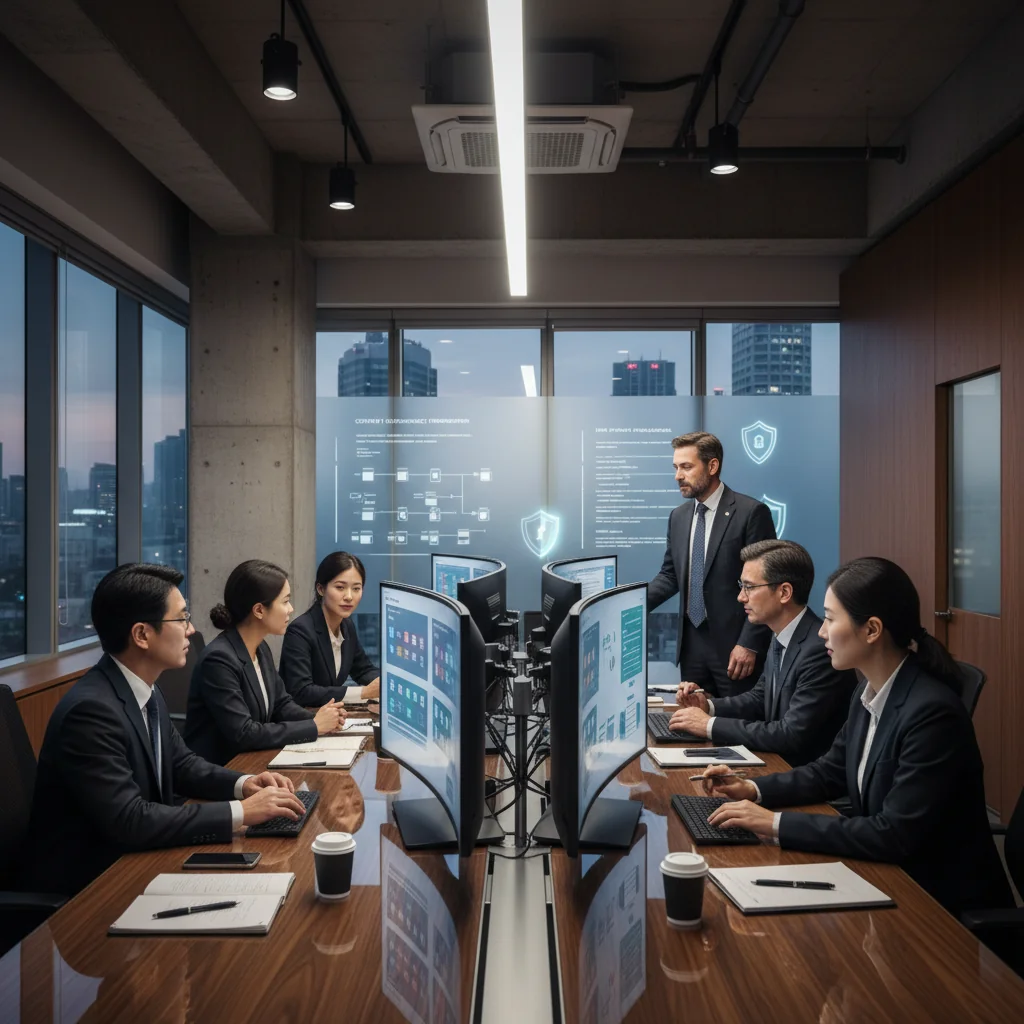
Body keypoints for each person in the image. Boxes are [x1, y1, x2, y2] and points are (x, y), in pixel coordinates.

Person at [701, 556, 1012, 917]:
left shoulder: (932, 714)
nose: (821, 632)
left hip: (937, 905)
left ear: (872, 630)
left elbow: (892, 834)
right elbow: (828, 772)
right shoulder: (869, 691)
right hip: (887, 875)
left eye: (830, 619)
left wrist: (773, 823)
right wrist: (752, 789)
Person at [18, 564, 307, 898]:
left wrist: (245, 784)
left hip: (137, 862)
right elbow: (130, 820)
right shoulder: (91, 712)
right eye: (182, 619)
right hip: (90, 889)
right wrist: (242, 812)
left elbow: (182, 764)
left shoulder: (145, 689)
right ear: (142, 635)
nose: (191, 630)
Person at [669, 540, 857, 765]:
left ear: (784, 592)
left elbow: (790, 734)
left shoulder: (819, 650)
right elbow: (760, 698)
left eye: (749, 587)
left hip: (804, 775)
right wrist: (707, 706)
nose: (741, 597)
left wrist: (708, 725)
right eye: (741, 586)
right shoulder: (781, 633)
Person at [648, 431, 777, 698]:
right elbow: (670, 575)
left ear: (712, 466)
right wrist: (631, 604)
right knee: (695, 716)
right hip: (691, 645)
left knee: (736, 718)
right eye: (675, 467)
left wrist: (749, 643)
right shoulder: (678, 517)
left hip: (735, 646)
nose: (678, 476)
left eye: (686, 467)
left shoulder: (750, 513)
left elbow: (767, 584)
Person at [184, 559, 346, 765]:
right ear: (259, 610)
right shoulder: (219, 659)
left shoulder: (260, 647)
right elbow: (244, 733)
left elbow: (281, 704)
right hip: (225, 769)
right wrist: (314, 726)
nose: (291, 609)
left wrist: (321, 718)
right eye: (285, 601)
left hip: (254, 760)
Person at [280, 551, 380, 706]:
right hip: (302, 715)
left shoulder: (347, 625)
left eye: (356, 588)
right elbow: (301, 691)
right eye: (340, 587)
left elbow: (363, 670)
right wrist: (363, 692)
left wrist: (386, 683)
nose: (349, 596)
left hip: (330, 713)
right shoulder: (300, 631)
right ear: (321, 589)